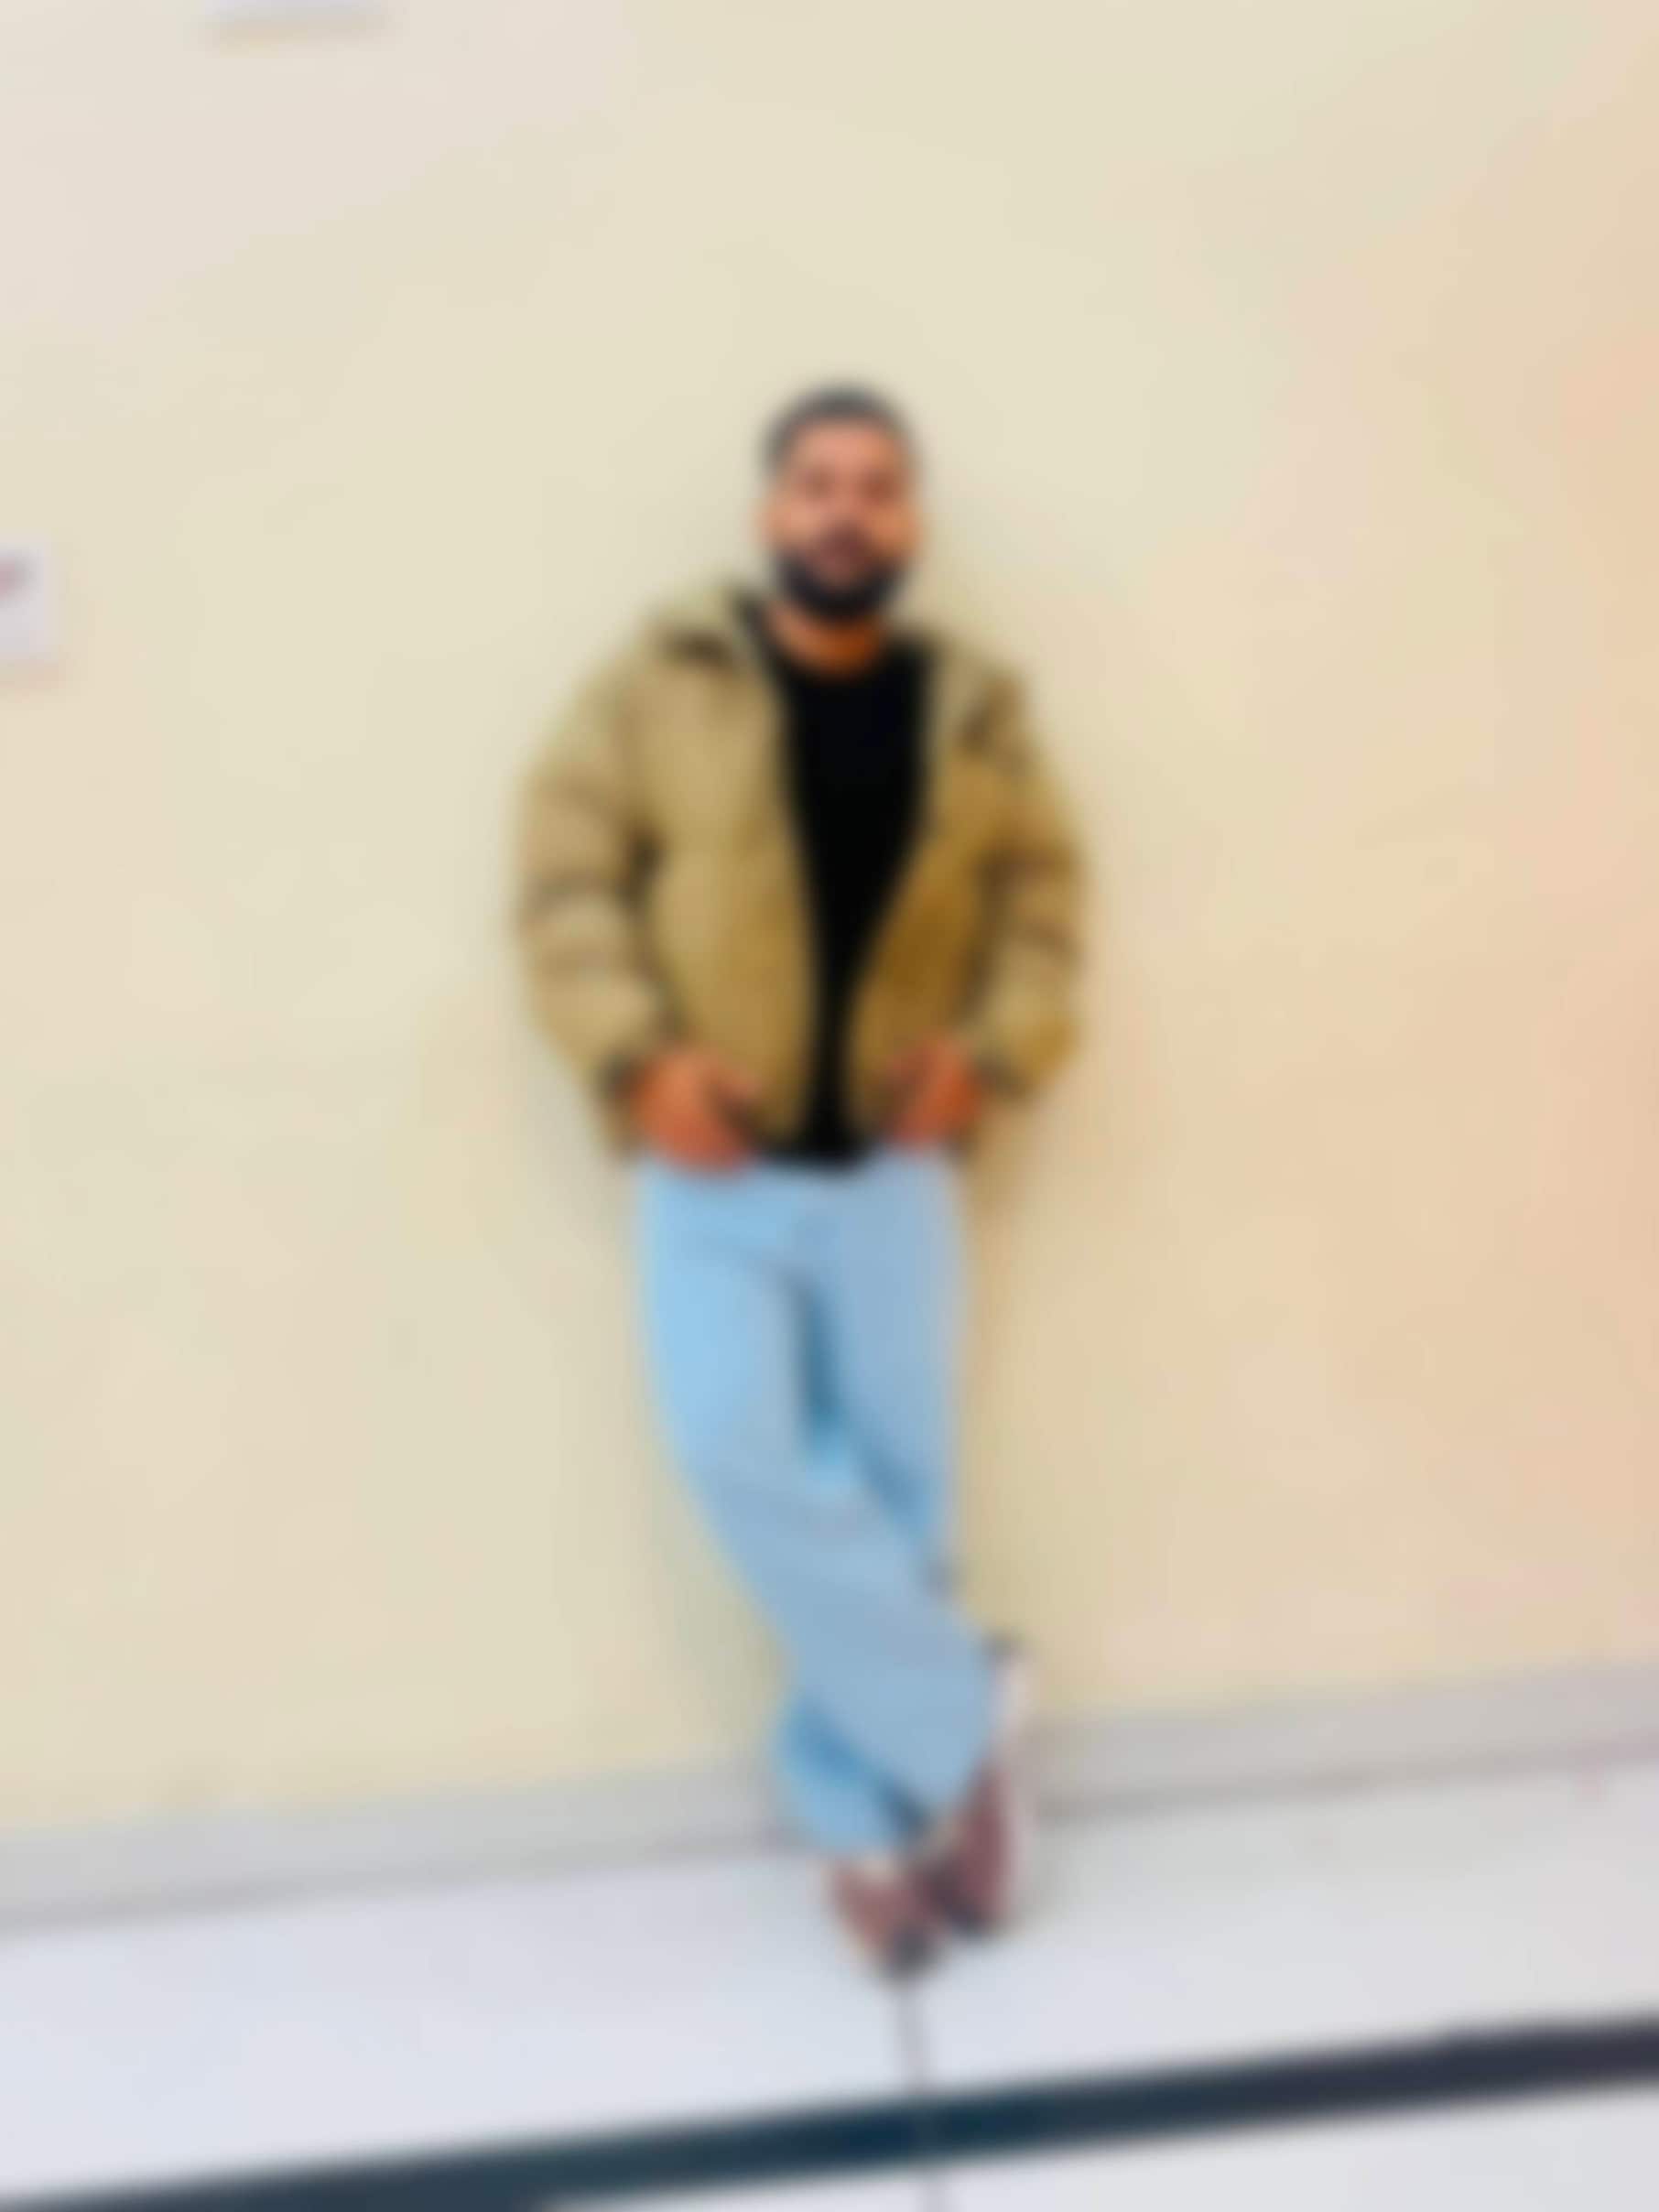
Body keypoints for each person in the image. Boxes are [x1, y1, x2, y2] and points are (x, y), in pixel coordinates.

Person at [513, 386, 1085, 1974]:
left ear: (910, 523)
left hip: (897, 1167)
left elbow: (1045, 913)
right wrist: (638, 1062)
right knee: (737, 1450)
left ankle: (867, 1830)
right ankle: (967, 1717)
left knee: (899, 1504)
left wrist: (994, 1056)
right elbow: (565, 885)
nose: (846, 510)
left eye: (878, 487)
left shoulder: (971, 709)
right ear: (772, 512)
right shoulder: (661, 683)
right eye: (817, 482)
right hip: (715, 1164)